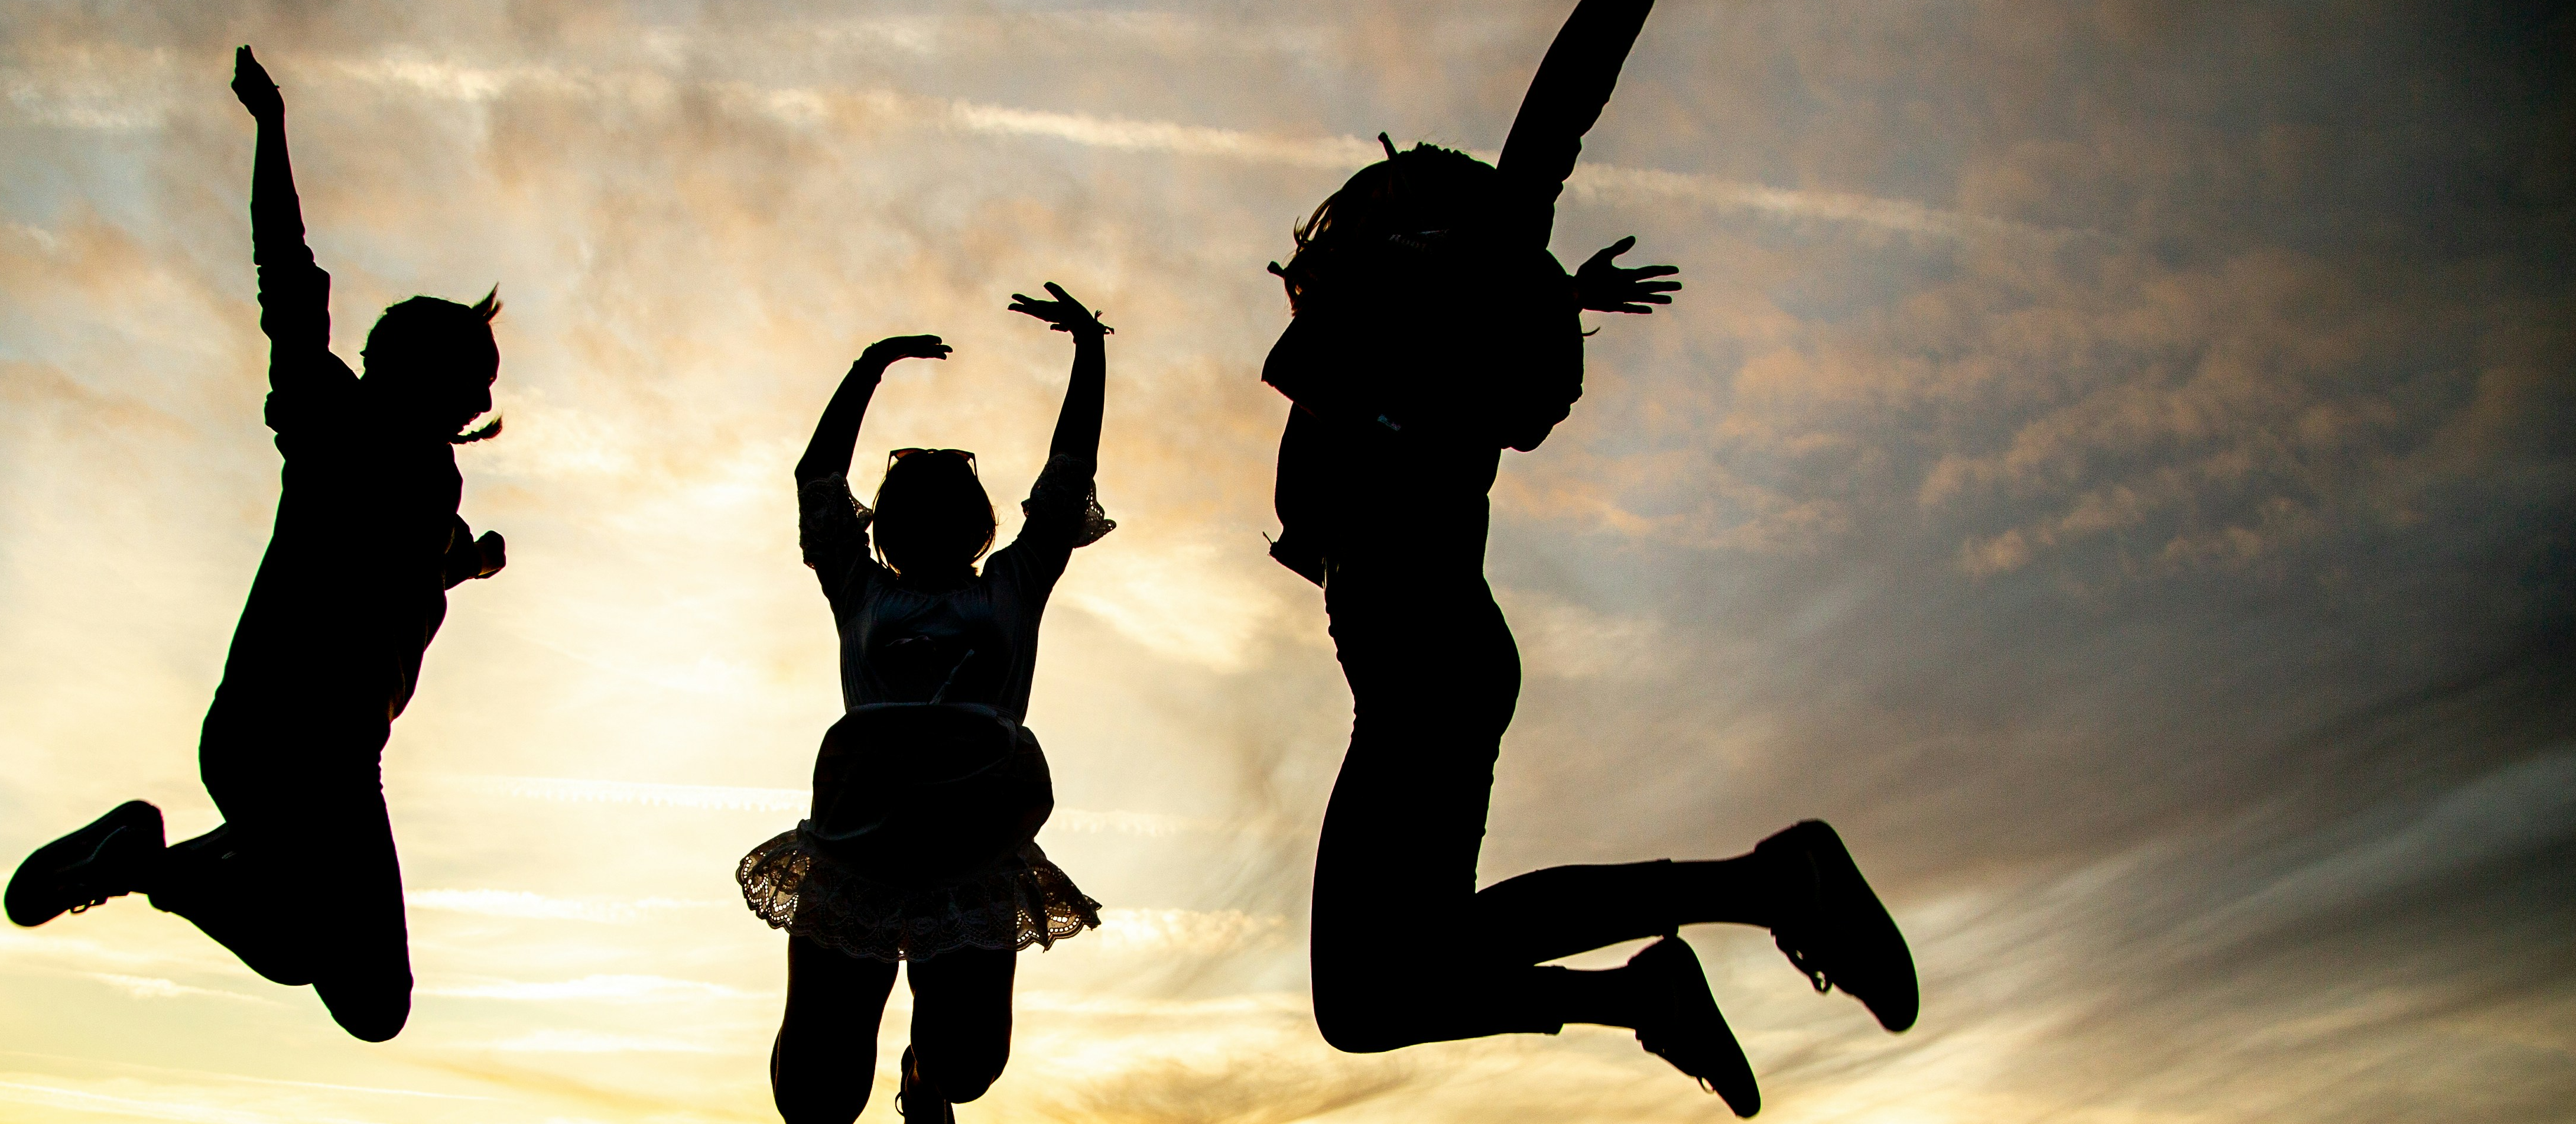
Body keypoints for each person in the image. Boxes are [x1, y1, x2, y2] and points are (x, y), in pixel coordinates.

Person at [1260, 1, 1915, 1116]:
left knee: (1376, 988)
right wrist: (1557, 291)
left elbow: (1557, 112)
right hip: (1430, 663)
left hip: (1427, 659)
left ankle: (1764, 887)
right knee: (1371, 998)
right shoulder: (1434, 305)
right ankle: (1654, 987)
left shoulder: (1421, 283)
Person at [0, 46, 509, 1044]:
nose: (490, 397)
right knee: (372, 999)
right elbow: (288, 270)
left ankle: (154, 859)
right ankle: (152, 862)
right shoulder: (334, 418)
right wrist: (271, 129)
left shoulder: (425, 485)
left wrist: (470, 561)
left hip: (284, 751)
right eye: (478, 374)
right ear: (422, 368)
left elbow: (402, 570)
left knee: (315, 962)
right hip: (303, 750)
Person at [738, 285, 1118, 1123]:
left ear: (978, 522)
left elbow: (1066, 479)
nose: (934, 513)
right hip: (858, 847)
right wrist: (869, 368)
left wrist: (1091, 350)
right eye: (914, 503)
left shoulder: (1014, 591)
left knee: (968, 1064)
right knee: (817, 1096)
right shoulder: (860, 590)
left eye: (951, 502)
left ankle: (922, 1075)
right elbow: (819, 477)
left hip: (971, 849)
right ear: (887, 528)